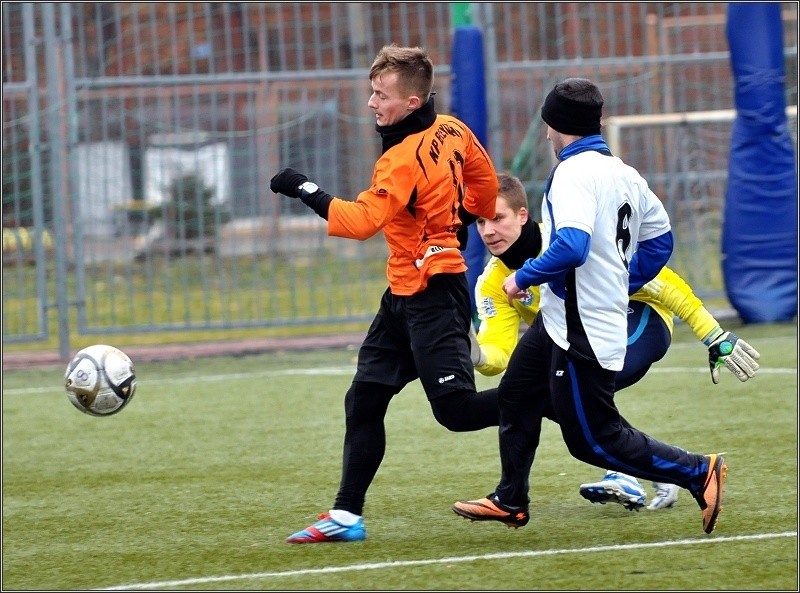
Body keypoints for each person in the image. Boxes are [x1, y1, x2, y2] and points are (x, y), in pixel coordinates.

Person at [452, 77, 731, 535]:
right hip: (558, 318)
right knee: (518, 394)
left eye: (546, 126)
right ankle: (510, 499)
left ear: (554, 126)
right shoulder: (624, 173)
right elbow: (661, 241)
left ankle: (699, 471)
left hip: (585, 326)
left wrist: (524, 277)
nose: (545, 134)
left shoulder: (571, 174)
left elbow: (573, 246)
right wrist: (622, 277)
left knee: (592, 439)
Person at [269, 44, 500, 543]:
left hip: (435, 295)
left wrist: (301, 186)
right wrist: (452, 220)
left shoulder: (400, 160)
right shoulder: (455, 129)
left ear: (413, 102)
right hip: (403, 292)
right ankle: (346, 516)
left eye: (382, 95)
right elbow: (483, 189)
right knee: (365, 399)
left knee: (457, 413)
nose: (372, 103)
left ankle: (555, 394)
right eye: (372, 91)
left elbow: (357, 222)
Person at [469, 174, 760, 511]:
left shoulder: (566, 243)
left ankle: (646, 470)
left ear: (522, 215)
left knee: (578, 399)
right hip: (576, 337)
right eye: (480, 221)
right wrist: (475, 354)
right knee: (549, 399)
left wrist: (714, 336)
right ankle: (648, 466)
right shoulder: (492, 282)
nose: (488, 230)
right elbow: (499, 355)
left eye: (497, 218)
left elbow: (662, 283)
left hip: (640, 317)